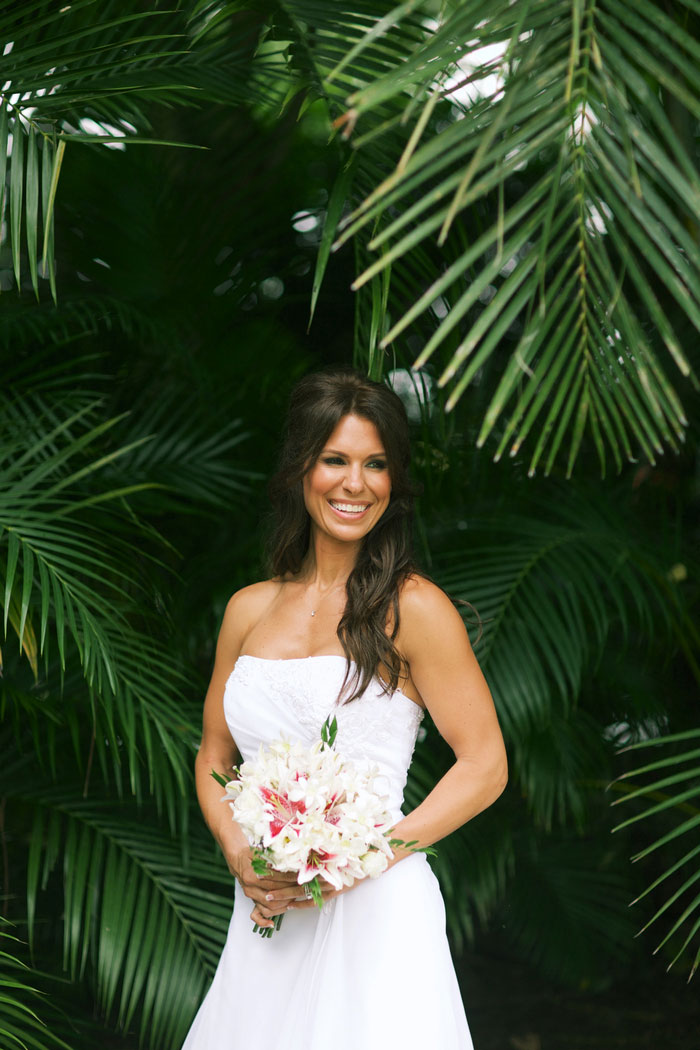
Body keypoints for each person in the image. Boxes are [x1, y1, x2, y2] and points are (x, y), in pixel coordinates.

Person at [182, 368, 507, 1050]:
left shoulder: (414, 608)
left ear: (395, 481)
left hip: (377, 912)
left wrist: (367, 857)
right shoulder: (247, 610)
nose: (355, 484)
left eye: (376, 464)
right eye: (336, 460)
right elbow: (215, 756)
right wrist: (239, 851)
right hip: (269, 911)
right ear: (301, 467)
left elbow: (485, 765)